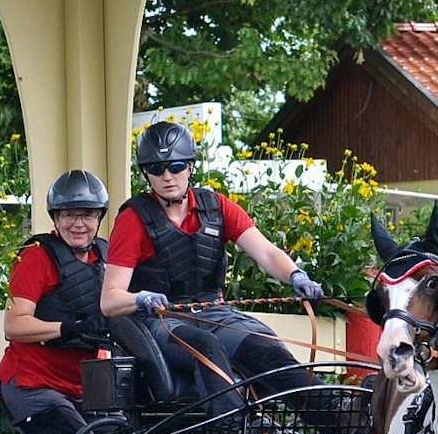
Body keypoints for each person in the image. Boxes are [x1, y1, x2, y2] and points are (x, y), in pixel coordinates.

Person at [99, 120, 326, 403]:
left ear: (191, 167)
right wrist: (141, 298)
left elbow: (266, 252)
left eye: (177, 166)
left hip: (216, 314)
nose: (167, 176)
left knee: (264, 348)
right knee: (205, 347)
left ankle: (335, 416)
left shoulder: (216, 207)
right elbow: (109, 300)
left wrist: (296, 276)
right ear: (146, 173)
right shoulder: (132, 221)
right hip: (162, 323)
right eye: (156, 169)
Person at [0, 170, 111, 434]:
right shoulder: (36, 256)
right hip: (32, 386)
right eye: (69, 215)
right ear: (56, 218)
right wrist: (66, 328)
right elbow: (13, 325)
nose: (78, 224)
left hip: (84, 388)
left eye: (87, 214)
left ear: (99, 217)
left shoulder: (107, 257)